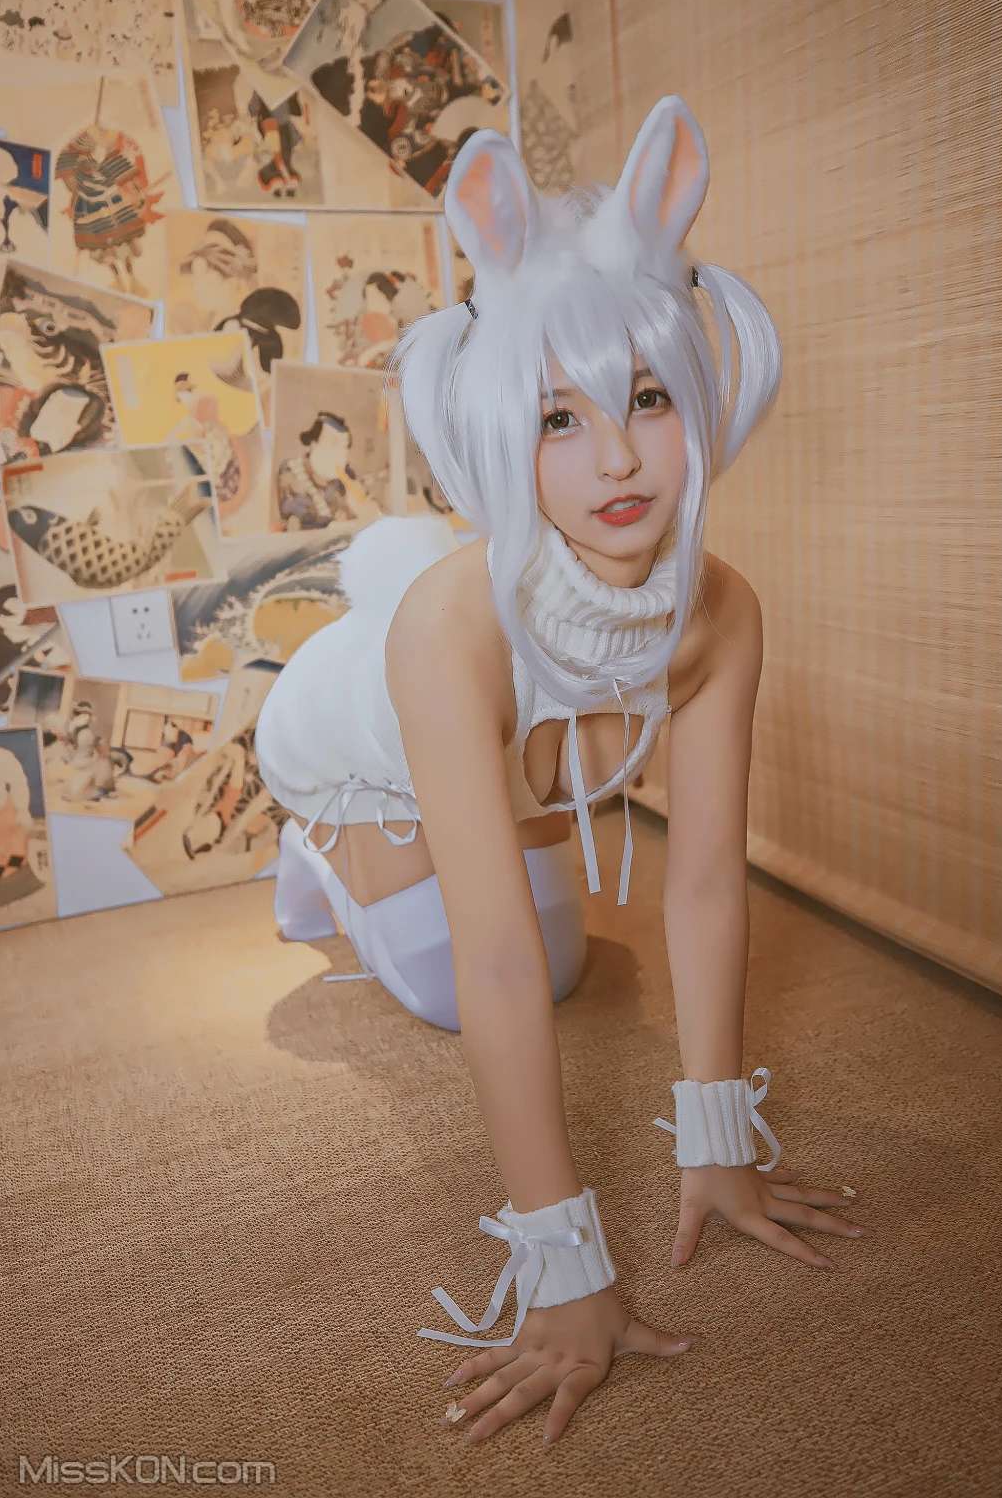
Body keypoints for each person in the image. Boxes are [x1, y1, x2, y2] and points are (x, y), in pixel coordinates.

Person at [254, 94, 862, 1446]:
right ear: (500, 430)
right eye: (557, 419)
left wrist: (719, 1140)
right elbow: (496, 967)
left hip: (523, 767)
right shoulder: (447, 632)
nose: (620, 458)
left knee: (580, 967)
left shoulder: (724, 610)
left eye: (647, 399)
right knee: (456, 986)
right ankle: (322, 859)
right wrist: (564, 1266)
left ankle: (416, 848)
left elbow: (703, 884)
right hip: (348, 743)